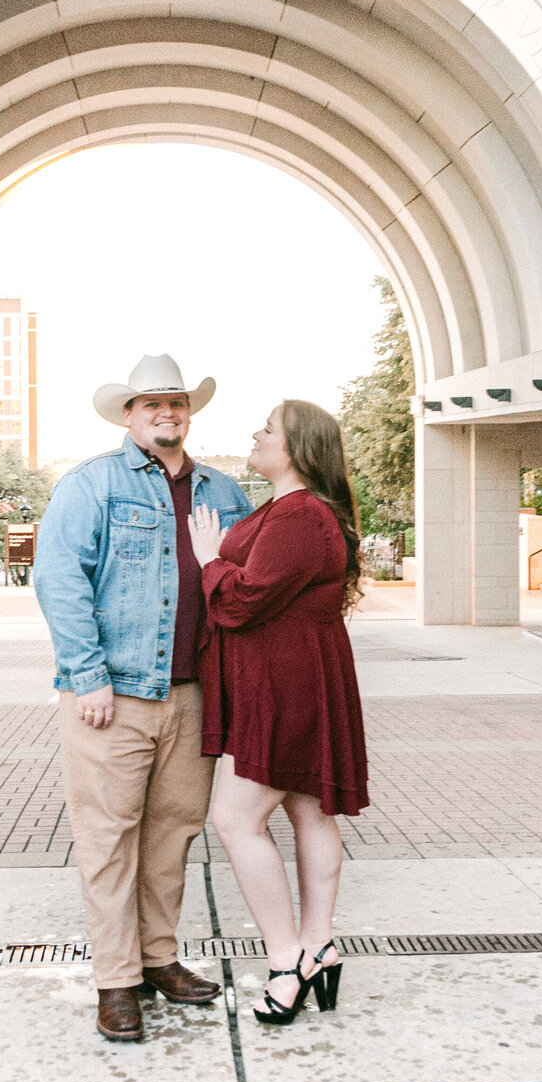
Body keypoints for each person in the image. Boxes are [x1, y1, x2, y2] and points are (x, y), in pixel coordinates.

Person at [34, 354, 252, 1043]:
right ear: (128, 415)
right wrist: (87, 672)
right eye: (151, 403)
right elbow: (59, 577)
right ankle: (116, 979)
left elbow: (247, 584)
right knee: (108, 838)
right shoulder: (92, 484)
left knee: (172, 836)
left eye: (177, 402)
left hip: (193, 695)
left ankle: (159, 958)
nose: (167, 412)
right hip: (112, 695)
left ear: (190, 412)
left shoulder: (225, 490)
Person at [188, 400, 368, 1026]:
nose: (255, 434)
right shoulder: (295, 511)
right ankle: (318, 946)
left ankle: (286, 958)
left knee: (235, 819)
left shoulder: (297, 515)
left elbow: (243, 601)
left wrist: (211, 558)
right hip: (298, 676)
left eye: (267, 429)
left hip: (283, 683)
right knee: (307, 811)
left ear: (295, 448)